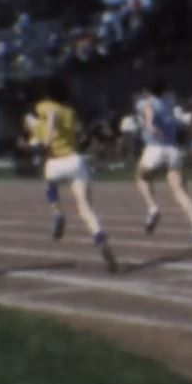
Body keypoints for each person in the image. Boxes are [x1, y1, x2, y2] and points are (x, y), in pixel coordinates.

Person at [30, 77, 117, 272]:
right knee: (85, 208)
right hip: (75, 162)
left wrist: (47, 138)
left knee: (50, 184)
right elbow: (76, 131)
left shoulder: (45, 105)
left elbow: (50, 117)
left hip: (54, 162)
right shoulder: (71, 112)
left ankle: (57, 212)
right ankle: (100, 237)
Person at [133, 79, 192, 255]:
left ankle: (152, 207)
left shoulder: (146, 102)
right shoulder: (169, 103)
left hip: (155, 149)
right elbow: (181, 124)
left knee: (140, 177)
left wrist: (151, 126)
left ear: (147, 91)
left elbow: (148, 115)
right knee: (181, 192)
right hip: (173, 151)